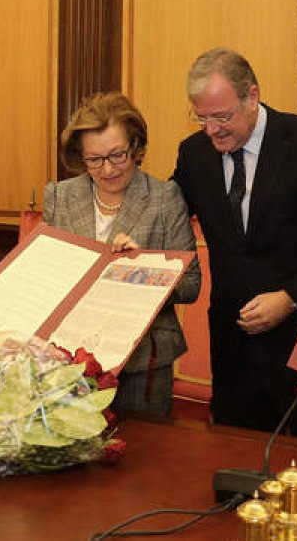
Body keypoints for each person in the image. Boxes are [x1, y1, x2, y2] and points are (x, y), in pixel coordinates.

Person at [172, 47, 297, 445]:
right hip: (235, 349)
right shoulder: (193, 155)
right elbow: (165, 212)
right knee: (238, 470)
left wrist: (291, 296)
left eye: (222, 116)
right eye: (202, 117)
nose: (212, 130)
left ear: (252, 97)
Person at [41, 92, 200, 417]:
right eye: (94, 159)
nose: (108, 169)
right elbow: (48, 279)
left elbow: (191, 285)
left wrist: (142, 266)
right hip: (71, 358)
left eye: (117, 155)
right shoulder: (60, 197)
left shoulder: (163, 197)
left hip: (145, 361)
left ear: (136, 146)